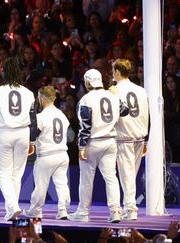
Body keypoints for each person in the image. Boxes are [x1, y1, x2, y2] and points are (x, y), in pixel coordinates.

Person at [68, 69, 128, 223]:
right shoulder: (113, 97)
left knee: (86, 179)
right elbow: (125, 111)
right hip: (110, 142)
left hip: (92, 143)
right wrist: (116, 95)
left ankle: (83, 212)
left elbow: (85, 127)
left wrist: (81, 147)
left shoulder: (86, 100)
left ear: (88, 82)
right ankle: (115, 211)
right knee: (111, 178)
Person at [0, 57, 37, 221]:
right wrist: (32, 141)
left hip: (3, 133)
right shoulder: (28, 93)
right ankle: (12, 208)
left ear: (4, 72)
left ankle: (13, 207)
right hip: (23, 133)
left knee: (2, 172)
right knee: (17, 173)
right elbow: (33, 119)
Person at [24, 86, 71, 220]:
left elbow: (33, 134)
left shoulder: (41, 116)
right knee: (62, 183)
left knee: (41, 185)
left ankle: (35, 211)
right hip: (62, 153)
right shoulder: (62, 115)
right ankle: (63, 210)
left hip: (47, 155)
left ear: (42, 99)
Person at [111, 58, 149, 220]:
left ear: (118, 72)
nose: (112, 74)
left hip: (124, 137)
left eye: (113, 71)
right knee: (130, 175)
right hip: (140, 137)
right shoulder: (141, 90)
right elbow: (149, 115)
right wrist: (147, 139)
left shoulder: (114, 90)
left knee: (127, 175)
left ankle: (131, 209)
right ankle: (129, 205)